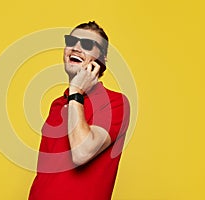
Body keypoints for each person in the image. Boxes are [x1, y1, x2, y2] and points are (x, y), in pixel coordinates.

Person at [28, 21, 130, 200]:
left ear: (102, 59)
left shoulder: (115, 103)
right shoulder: (57, 104)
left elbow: (82, 153)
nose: (75, 48)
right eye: (71, 41)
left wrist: (76, 92)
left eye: (87, 44)